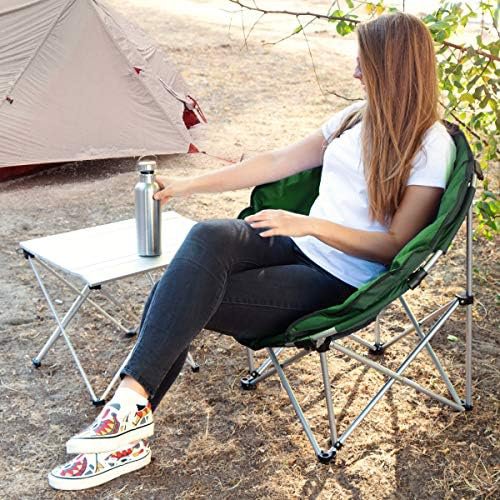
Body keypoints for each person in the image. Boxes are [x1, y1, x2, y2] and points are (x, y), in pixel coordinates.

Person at [48, 12, 456, 490]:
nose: (354, 73)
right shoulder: (355, 117)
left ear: (393, 67)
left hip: (337, 280)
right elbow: (275, 161)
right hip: (296, 244)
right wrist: (186, 186)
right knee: (208, 237)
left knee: (177, 296)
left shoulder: (430, 145)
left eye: (363, 63)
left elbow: (394, 247)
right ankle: (129, 412)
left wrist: (309, 224)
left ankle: (122, 428)